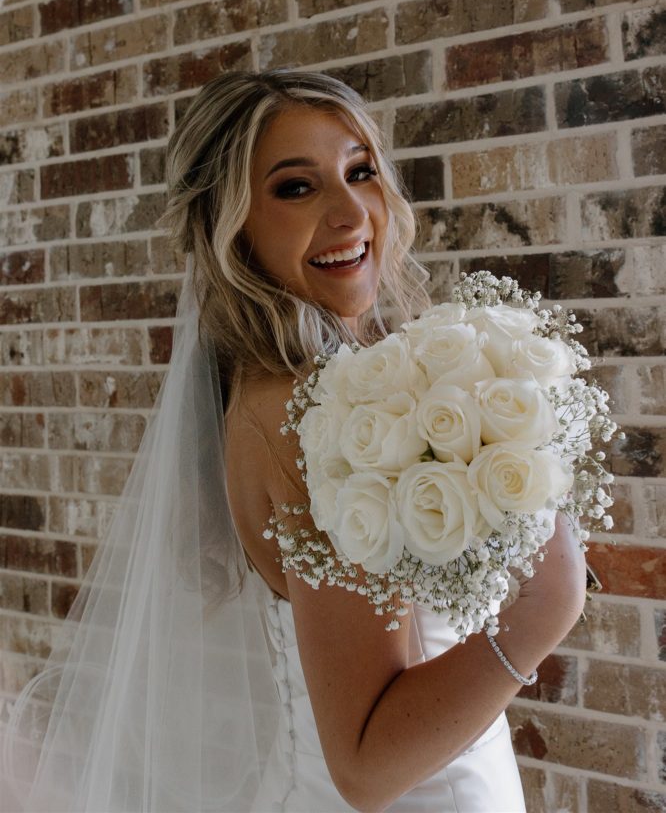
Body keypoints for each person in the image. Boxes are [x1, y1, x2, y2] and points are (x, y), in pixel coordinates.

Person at [1, 68, 587, 813]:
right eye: (296, 187)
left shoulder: (330, 387)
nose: (350, 213)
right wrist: (544, 612)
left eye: (360, 172)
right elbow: (366, 768)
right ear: (231, 225)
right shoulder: (306, 416)